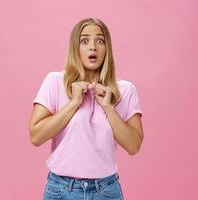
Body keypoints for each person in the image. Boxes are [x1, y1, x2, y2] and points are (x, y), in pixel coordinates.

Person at [29, 17, 144, 200]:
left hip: (106, 191)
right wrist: (73, 103)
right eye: (85, 40)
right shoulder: (55, 82)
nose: (93, 47)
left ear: (107, 48)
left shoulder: (125, 90)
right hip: (61, 190)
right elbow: (36, 136)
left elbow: (134, 146)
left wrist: (108, 108)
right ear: (76, 48)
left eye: (100, 40)